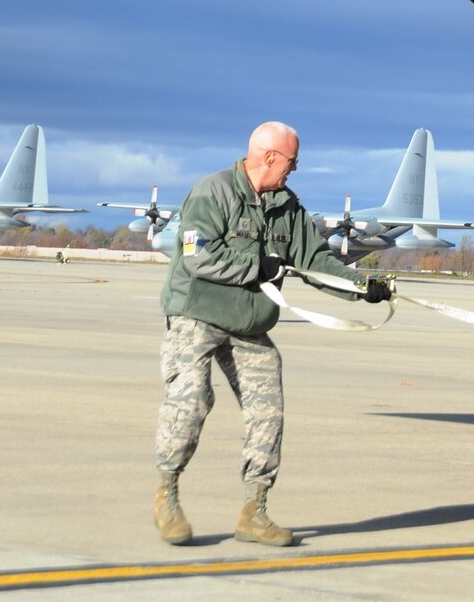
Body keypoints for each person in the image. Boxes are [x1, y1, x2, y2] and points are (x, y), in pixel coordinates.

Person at [153, 120, 386, 548]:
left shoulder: (289, 207)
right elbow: (195, 255)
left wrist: (362, 288)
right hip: (196, 315)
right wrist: (255, 267)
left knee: (268, 415)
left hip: (250, 324)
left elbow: (313, 261)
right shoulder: (213, 191)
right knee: (191, 401)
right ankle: (167, 494)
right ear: (269, 157)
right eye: (291, 162)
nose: (294, 170)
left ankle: (253, 512)